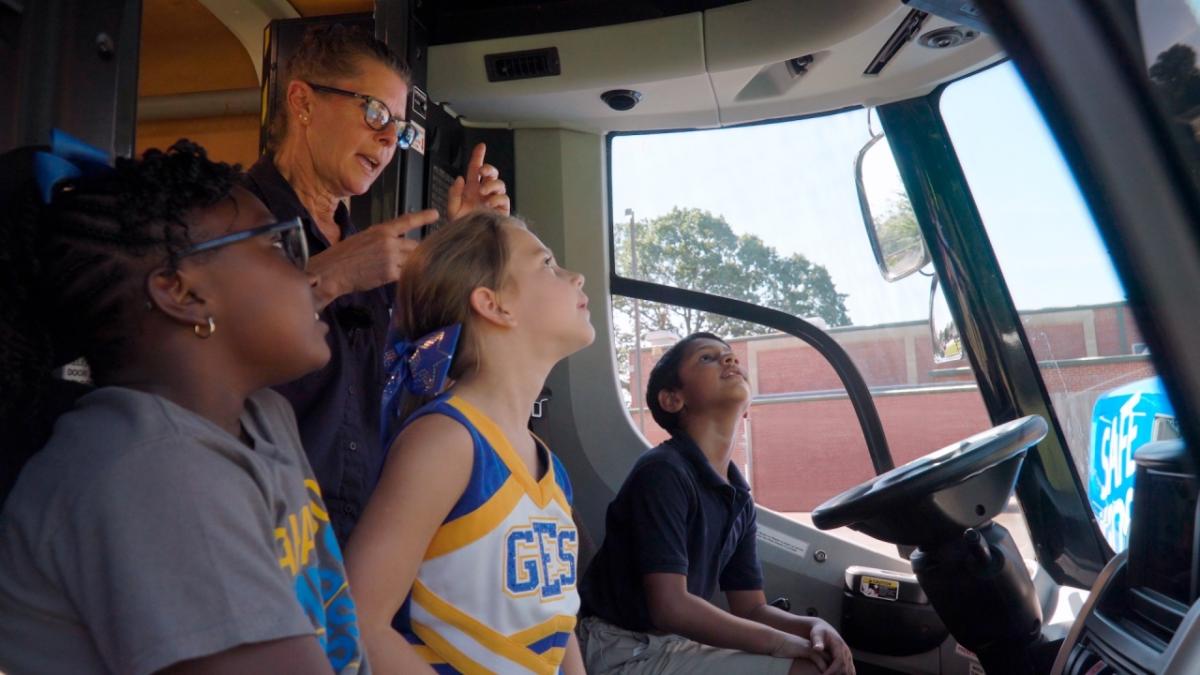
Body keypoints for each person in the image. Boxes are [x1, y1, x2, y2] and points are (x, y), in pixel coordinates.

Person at [0, 137, 366, 674]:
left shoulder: (263, 418)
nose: (309, 275)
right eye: (278, 246)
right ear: (183, 293)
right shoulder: (150, 471)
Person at [245, 24, 510, 545]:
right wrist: (324, 279)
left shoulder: (369, 249)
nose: (389, 140)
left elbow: (421, 362)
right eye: (374, 114)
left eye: (400, 129)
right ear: (302, 102)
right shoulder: (230, 218)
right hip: (258, 522)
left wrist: (466, 241)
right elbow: (196, 351)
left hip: (351, 527)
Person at [344, 210, 594, 674]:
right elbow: (361, 622)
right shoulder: (447, 443)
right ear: (494, 304)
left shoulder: (551, 470)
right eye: (547, 264)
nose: (575, 276)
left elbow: (558, 628)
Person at [577, 333, 856, 675]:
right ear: (672, 399)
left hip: (672, 642)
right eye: (707, 358)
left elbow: (751, 608)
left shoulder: (737, 496)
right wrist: (780, 643)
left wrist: (811, 628)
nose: (729, 359)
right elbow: (670, 607)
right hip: (620, 649)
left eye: (730, 355)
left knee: (819, 659)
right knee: (810, 670)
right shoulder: (663, 472)